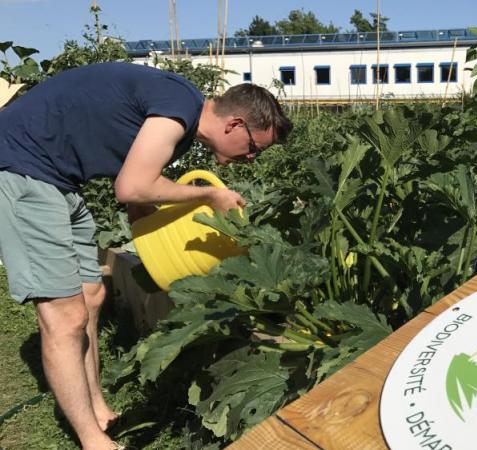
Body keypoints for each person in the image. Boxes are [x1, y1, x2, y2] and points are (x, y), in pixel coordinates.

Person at [0, 62, 292, 450]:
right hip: (21, 168)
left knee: (91, 294)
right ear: (235, 125)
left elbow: (139, 205)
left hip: (60, 180)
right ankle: (93, 440)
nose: (252, 158)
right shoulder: (179, 104)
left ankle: (98, 409)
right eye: (255, 148)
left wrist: (170, 258)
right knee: (64, 314)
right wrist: (210, 195)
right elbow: (133, 187)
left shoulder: (181, 127)